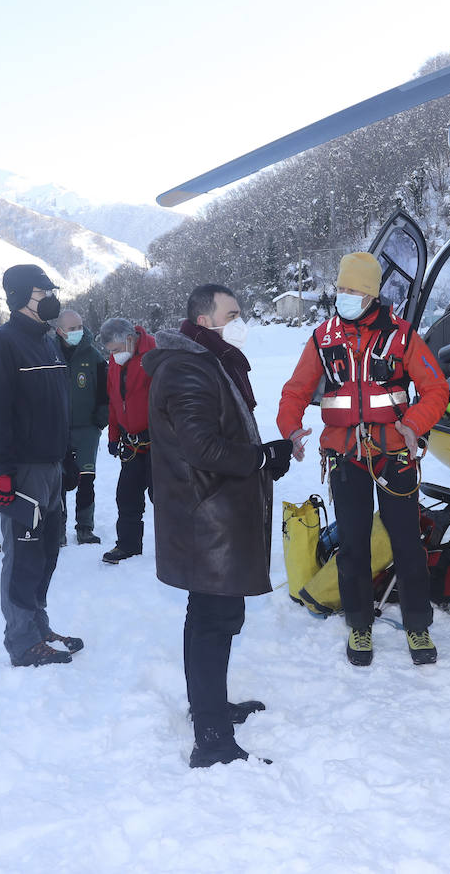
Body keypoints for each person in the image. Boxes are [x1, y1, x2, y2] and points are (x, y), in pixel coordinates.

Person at [145, 283, 292, 767]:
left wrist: (267, 458)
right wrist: (261, 456)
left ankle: (211, 706)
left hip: (213, 513)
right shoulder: (189, 367)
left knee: (218, 618)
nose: (240, 319)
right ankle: (211, 738)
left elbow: (222, 435)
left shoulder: (211, 361)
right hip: (204, 519)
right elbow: (202, 448)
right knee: (211, 621)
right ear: (204, 320)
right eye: (232, 312)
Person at [278, 252, 449, 667]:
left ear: (371, 294)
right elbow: (295, 391)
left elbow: (436, 390)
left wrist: (413, 425)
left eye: (353, 290)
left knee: (407, 542)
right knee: (352, 545)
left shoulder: (402, 336)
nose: (345, 296)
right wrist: (292, 430)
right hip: (344, 455)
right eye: (341, 289)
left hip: (394, 454)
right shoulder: (323, 337)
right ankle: (359, 623)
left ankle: (417, 624)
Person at [0, 264, 81, 667]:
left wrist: (68, 454)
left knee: (46, 554)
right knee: (22, 557)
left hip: (52, 465)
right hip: (23, 469)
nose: (52, 298)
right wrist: (2, 471)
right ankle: (22, 641)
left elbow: (60, 406)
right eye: (44, 292)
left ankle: (39, 626)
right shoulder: (3, 344)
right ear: (22, 296)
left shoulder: (48, 341)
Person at [98, 316, 156, 564]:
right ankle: (127, 546)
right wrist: (113, 436)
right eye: (110, 352)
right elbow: (114, 400)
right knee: (127, 496)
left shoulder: (155, 354)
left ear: (130, 339)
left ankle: (177, 547)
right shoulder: (115, 361)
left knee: (164, 498)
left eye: (116, 350)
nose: (113, 355)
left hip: (159, 444)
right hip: (131, 444)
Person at [54, 309, 108, 545]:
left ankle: (85, 527)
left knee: (86, 478)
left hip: (87, 429)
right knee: (59, 480)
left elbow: (106, 391)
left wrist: (100, 419)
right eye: (71, 328)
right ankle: (58, 528)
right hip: (57, 428)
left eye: (79, 327)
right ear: (59, 331)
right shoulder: (48, 352)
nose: (77, 332)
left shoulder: (93, 355)